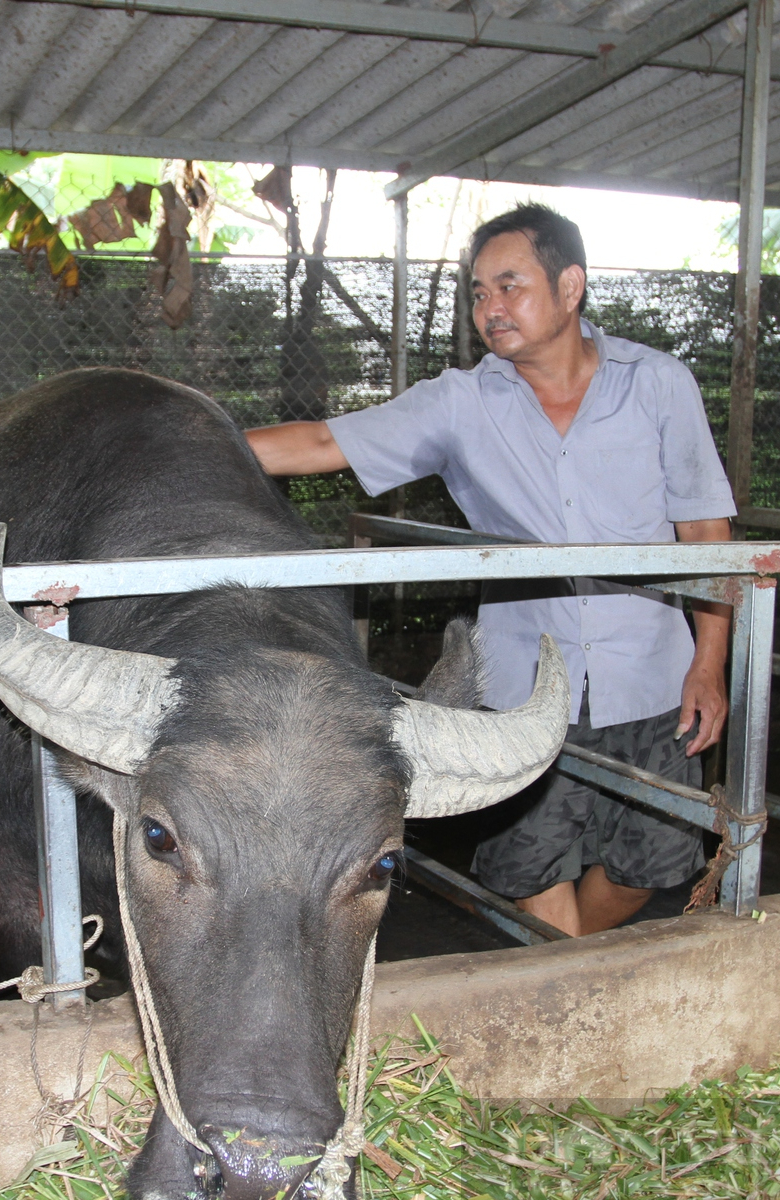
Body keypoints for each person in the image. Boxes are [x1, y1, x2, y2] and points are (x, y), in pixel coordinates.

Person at [245, 203, 737, 936]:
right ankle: (579, 984)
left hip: (654, 675)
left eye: (509, 285)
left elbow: (706, 530)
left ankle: (572, 965)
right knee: (524, 869)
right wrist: (185, 438)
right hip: (527, 684)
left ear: (571, 287)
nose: (490, 308)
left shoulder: (659, 384)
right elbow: (321, 441)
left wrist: (710, 663)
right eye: (478, 292)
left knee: (655, 864)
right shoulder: (462, 403)